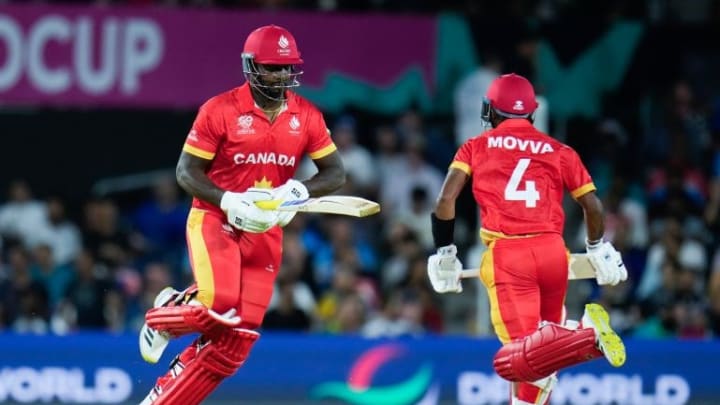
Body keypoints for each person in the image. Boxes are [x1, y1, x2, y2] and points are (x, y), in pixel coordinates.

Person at [137, 24, 346, 405]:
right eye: (272, 67)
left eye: (287, 68)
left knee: (238, 337)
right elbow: (186, 173)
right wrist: (229, 200)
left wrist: (297, 191)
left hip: (266, 228)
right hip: (216, 217)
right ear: (250, 67)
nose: (282, 76)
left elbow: (335, 173)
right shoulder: (219, 110)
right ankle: (164, 313)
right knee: (219, 304)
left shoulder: (307, 116)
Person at [426, 73, 628, 405]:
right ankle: (573, 336)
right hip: (553, 254)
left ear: (490, 110)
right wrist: (597, 248)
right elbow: (592, 205)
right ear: (531, 112)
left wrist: (445, 252)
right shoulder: (559, 150)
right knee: (540, 363)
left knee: (521, 359)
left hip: (510, 256)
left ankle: (586, 333)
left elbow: (445, 201)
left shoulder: (475, 146)